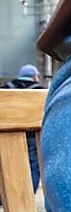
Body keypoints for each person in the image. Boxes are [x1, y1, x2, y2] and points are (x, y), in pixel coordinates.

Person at [2, 64, 45, 193]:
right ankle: (28, 194)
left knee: (9, 164)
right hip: (32, 135)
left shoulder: (6, 89)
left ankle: (9, 194)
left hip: (7, 135)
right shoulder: (40, 91)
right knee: (33, 165)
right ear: (34, 76)